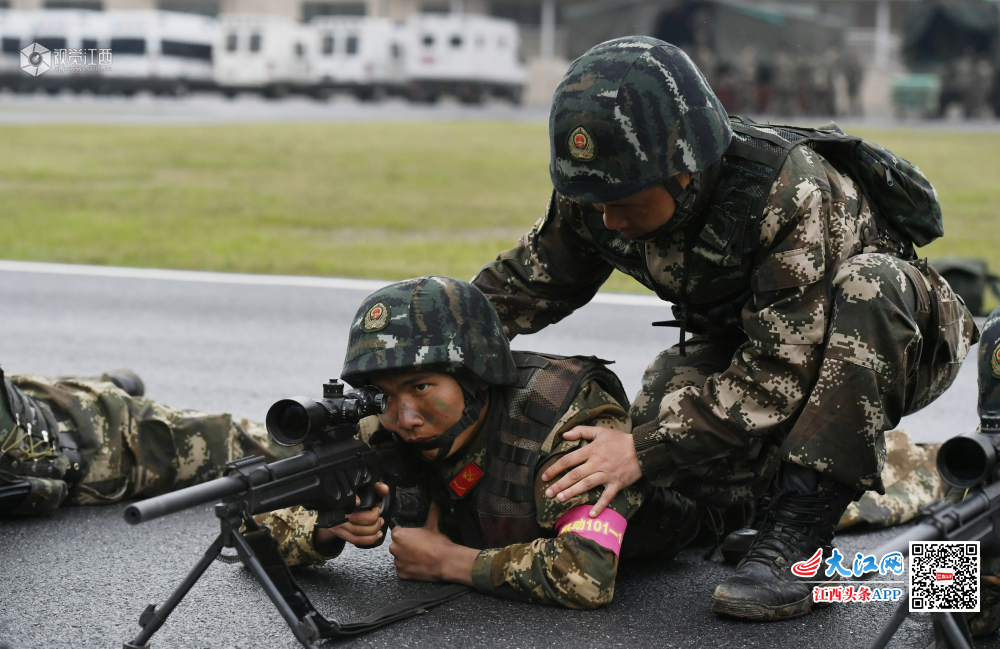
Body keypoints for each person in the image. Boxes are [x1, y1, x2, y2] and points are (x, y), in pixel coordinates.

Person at [470, 36, 978, 621]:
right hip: (761, 340)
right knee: (671, 421)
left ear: (685, 172)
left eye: (624, 204)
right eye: (595, 201)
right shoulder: (607, 185)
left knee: (868, 287)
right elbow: (521, 285)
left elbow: (782, 374)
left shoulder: (788, 192)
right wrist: (427, 347)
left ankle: (803, 534)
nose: (607, 219)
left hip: (895, 341)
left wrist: (641, 449)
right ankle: (799, 493)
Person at [257, 276, 707, 609]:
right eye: (384, 394)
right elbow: (250, 525)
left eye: (421, 387)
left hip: (679, 533)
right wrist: (327, 527)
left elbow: (586, 575)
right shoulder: (379, 425)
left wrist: (447, 562)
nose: (405, 418)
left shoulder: (562, 413)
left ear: (478, 376)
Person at [0, 367, 290, 516]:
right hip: (75, 439)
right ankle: (90, 387)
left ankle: (87, 389)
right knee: (265, 450)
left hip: (65, 421)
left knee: (277, 447)